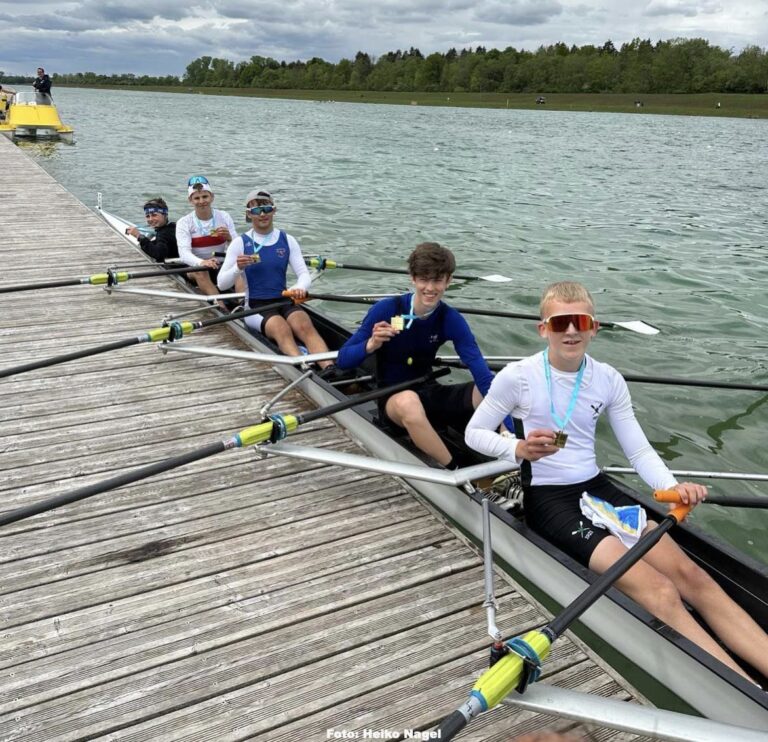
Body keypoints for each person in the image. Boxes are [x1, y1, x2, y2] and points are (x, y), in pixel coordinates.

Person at [465, 280, 768, 683]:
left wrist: (672, 486)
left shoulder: (608, 379)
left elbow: (639, 451)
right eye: (560, 323)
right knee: (659, 591)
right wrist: (518, 449)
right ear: (543, 330)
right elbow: (475, 433)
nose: (570, 331)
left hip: (598, 491)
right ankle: (745, 692)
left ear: (594, 328)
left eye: (580, 322)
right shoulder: (518, 377)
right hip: (550, 501)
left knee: (693, 577)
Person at [336, 242, 505, 469]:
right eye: (424, 279)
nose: (430, 288)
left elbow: (478, 367)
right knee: (409, 402)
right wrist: (371, 344)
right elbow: (343, 359)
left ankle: (509, 449)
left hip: (428, 391)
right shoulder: (387, 309)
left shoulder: (450, 319)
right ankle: (458, 471)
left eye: (437, 280)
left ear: (448, 281)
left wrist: (507, 422)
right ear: (413, 279)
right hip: (393, 400)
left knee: (495, 387)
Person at [217, 188, 334, 369]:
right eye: (256, 210)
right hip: (255, 306)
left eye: (267, 209)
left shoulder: (287, 240)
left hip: (283, 298)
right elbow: (222, 283)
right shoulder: (240, 243)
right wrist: (237, 268)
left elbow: (303, 274)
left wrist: (299, 287)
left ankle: (329, 367)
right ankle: (303, 368)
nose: (262, 214)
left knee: (304, 325)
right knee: (281, 328)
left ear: (274, 210)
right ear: (249, 215)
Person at [175, 176, 237, 307]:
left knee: (240, 265)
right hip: (196, 266)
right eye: (197, 198)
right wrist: (202, 262)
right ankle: (221, 307)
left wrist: (230, 238)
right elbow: (184, 254)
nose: (201, 201)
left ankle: (244, 303)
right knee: (201, 271)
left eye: (205, 197)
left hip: (220, 264)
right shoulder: (184, 223)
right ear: (190, 200)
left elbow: (238, 248)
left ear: (212, 197)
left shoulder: (224, 216)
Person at [125, 198, 178, 263]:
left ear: (165, 215)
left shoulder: (164, 233)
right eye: (147, 216)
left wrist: (139, 236)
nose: (150, 219)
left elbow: (158, 254)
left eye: (154, 215)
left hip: (175, 269)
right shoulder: (173, 227)